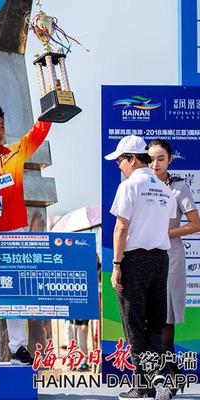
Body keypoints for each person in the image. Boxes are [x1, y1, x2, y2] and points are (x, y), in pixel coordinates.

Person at [0, 106, 51, 366]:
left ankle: (19, 347)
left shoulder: (15, 153)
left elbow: (40, 131)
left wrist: (53, 100)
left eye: (2, 126)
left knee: (16, 288)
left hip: (15, 230)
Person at [105, 135, 176, 400]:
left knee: (134, 324)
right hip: (161, 260)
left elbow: (121, 227)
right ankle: (150, 382)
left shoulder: (129, 186)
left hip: (134, 261)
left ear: (132, 159)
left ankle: (151, 381)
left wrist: (116, 264)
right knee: (154, 325)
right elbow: (165, 227)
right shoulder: (164, 188)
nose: (119, 165)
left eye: (121, 160)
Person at [148, 139, 200, 393]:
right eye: (151, 159)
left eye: (160, 158)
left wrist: (168, 232)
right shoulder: (140, 185)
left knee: (166, 319)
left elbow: (195, 223)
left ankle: (171, 373)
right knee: (148, 317)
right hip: (145, 257)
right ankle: (167, 375)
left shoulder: (179, 187)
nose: (155, 164)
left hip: (171, 257)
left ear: (170, 160)